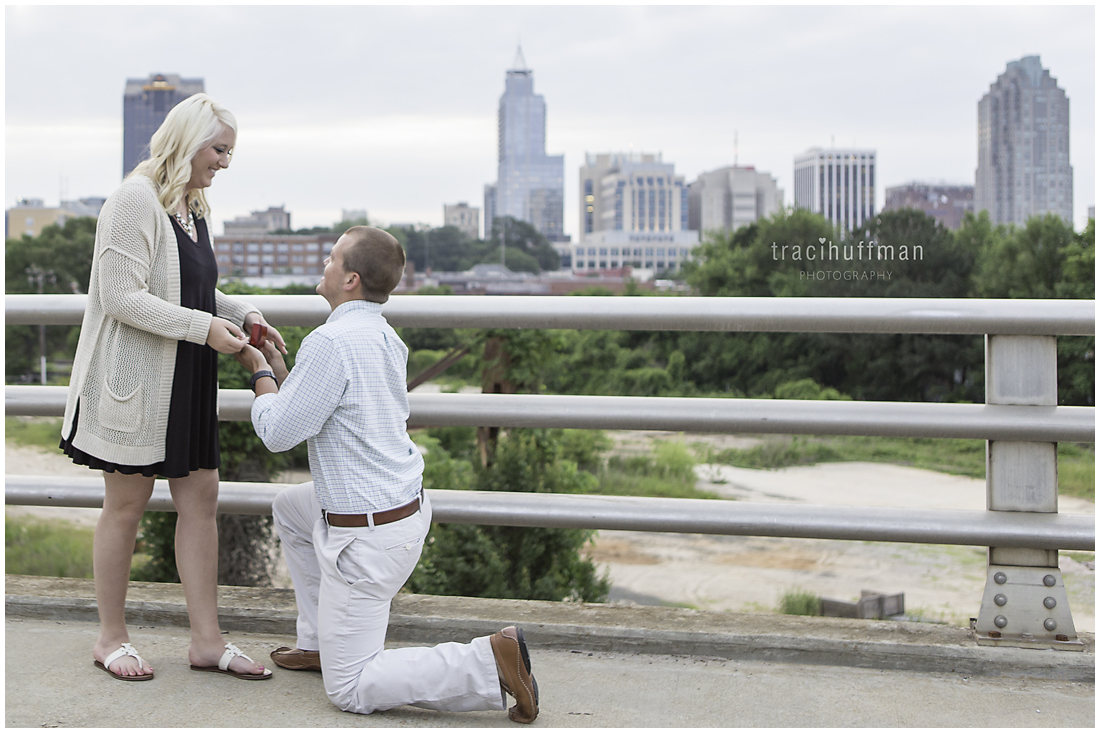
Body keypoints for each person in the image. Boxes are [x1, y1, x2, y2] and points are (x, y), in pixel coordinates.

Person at [233, 226, 540, 722]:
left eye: (331, 259)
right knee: (291, 509)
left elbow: (277, 432)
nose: (324, 266)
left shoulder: (329, 341)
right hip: (400, 509)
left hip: (367, 537)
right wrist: (276, 363)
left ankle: (488, 660)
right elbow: (313, 409)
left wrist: (257, 372)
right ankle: (319, 643)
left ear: (350, 278)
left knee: (350, 689)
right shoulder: (384, 336)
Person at [61, 93, 283, 682]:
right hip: (136, 384)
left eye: (230, 151)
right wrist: (205, 328)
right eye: (219, 149)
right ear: (188, 141)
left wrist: (244, 314)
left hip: (186, 376)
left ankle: (207, 642)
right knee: (126, 507)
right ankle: (110, 639)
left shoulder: (194, 203)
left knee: (201, 501)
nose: (225, 162)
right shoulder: (132, 201)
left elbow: (193, 290)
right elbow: (121, 297)